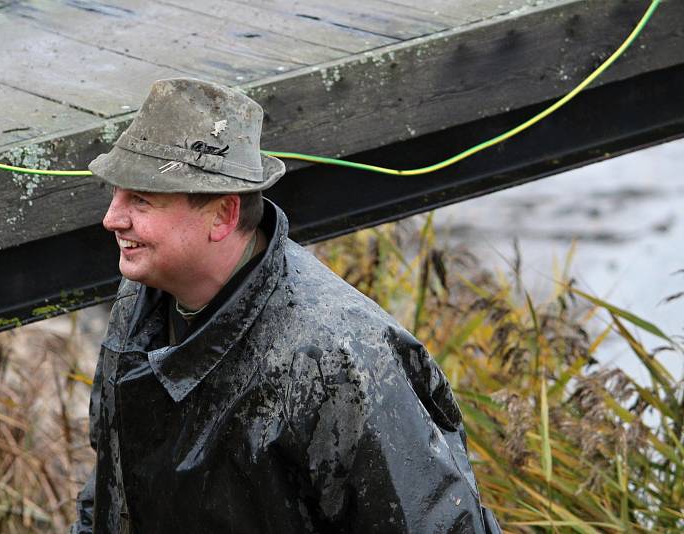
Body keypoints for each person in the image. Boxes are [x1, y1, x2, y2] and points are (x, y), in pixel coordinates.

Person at [72, 77, 501, 533]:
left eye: (140, 199)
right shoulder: (139, 298)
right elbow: (111, 487)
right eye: (114, 193)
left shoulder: (337, 357)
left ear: (223, 215)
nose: (111, 218)